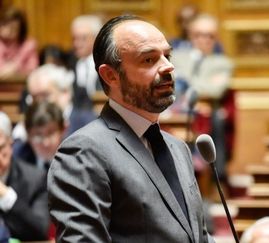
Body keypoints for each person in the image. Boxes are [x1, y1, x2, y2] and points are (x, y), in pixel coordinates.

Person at [48, 15, 214, 242]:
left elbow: (197, 236)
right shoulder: (84, 152)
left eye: (167, 55)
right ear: (110, 75)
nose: (168, 67)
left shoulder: (178, 148)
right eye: (148, 60)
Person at [170, 13, 234, 180]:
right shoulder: (176, 57)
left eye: (209, 36)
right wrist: (202, 83)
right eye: (198, 35)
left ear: (216, 38)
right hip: (175, 111)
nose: (203, 40)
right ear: (191, 35)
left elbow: (215, 91)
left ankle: (216, 177)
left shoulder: (222, 63)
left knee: (215, 119)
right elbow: (172, 86)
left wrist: (185, 79)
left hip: (207, 114)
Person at [0, 111, 49, 241]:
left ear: (11, 144)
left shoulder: (36, 178)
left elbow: (40, 230)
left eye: (0, 148)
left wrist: (5, 195)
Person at [14, 101, 66, 171]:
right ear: (28, 135)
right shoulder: (17, 158)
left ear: (63, 130)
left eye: (51, 133)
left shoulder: (76, 158)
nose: (46, 143)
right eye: (38, 135)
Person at [67, 15, 103, 110]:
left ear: (96, 38)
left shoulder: (105, 62)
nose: (77, 44)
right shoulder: (69, 62)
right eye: (74, 39)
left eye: (83, 38)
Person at [0, 7, 38, 79]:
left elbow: (33, 70)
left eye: (13, 28)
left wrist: (15, 67)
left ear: (21, 31)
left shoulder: (28, 46)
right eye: (4, 24)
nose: (7, 30)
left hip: (21, 86)